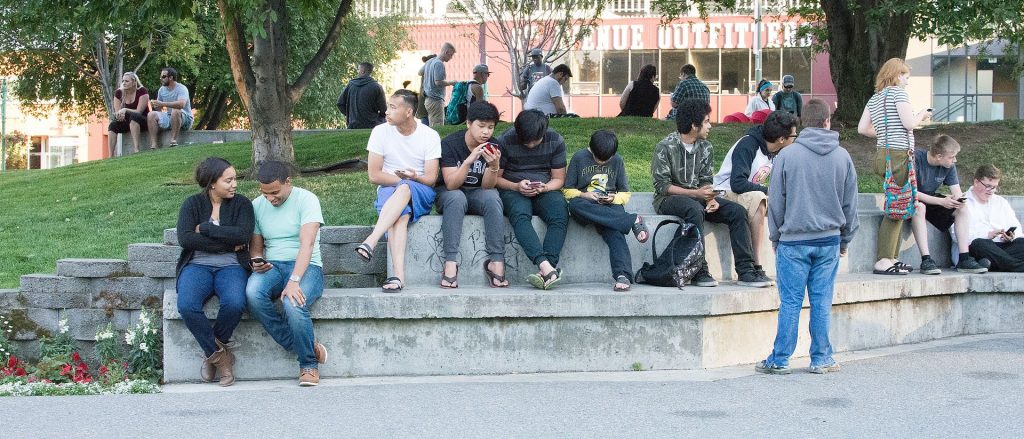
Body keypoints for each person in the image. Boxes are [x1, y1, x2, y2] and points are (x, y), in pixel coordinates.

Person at [755, 98, 860, 375]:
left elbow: (776, 202)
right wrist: (845, 240)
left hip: (793, 241)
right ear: (828, 121)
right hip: (829, 241)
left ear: (802, 122)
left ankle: (780, 359)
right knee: (822, 301)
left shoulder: (787, 156)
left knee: (790, 302)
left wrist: (776, 238)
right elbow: (851, 205)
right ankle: (822, 358)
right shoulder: (843, 156)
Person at [651, 98, 771, 288]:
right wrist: (697, 194)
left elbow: (706, 180)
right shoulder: (665, 147)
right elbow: (662, 186)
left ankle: (746, 271)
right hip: (668, 199)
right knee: (694, 210)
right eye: (706, 121)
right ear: (693, 125)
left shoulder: (706, 147)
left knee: (737, 212)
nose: (710, 126)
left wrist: (711, 198)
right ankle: (700, 269)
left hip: (699, 198)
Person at [246, 160, 328, 387]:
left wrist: (294, 280)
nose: (270, 198)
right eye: (265, 193)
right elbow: (256, 245)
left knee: (293, 302)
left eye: (275, 192)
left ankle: (308, 364)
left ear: (287, 182)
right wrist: (256, 261)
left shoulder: (307, 199)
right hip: (273, 266)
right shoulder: (257, 205)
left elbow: (308, 243)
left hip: (307, 266)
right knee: (253, 293)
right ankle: (304, 344)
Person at [175, 157, 254, 386]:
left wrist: (207, 229)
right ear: (212, 183)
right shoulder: (191, 204)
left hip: (231, 266)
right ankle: (221, 358)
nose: (234, 184)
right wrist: (227, 242)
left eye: (235, 179)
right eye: (228, 180)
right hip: (197, 265)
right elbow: (186, 239)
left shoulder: (242, 204)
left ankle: (211, 354)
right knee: (187, 305)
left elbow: (243, 235)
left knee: (235, 303)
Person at [355, 90, 441, 292]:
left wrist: (412, 178)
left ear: (409, 111)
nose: (387, 112)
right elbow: (374, 175)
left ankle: (371, 241)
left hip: (420, 189)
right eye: (388, 106)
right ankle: (398, 277)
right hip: (388, 187)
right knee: (400, 215)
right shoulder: (380, 132)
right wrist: (401, 180)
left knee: (404, 189)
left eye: (393, 108)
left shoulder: (429, 136)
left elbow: (430, 179)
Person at [857, 57, 933, 275]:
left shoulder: (875, 98)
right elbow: (909, 123)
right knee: (898, 208)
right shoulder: (898, 94)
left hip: (884, 155)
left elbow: (863, 129)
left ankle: (891, 257)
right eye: (905, 77)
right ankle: (883, 259)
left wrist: (884, 133)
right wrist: (922, 114)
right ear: (896, 75)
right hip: (899, 156)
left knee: (898, 203)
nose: (907, 82)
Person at [712, 110, 799, 283]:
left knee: (789, 202)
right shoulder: (748, 144)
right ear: (782, 139)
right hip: (726, 193)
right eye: (794, 135)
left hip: (747, 193)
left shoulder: (777, 152)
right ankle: (756, 267)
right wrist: (769, 191)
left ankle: (794, 264)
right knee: (760, 199)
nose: (796, 138)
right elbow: (737, 183)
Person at [563, 130, 649, 292]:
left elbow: (625, 193)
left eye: (606, 160)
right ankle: (631, 220)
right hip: (586, 205)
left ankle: (622, 275)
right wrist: (585, 195)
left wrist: (613, 198)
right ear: (591, 149)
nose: (602, 163)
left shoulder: (617, 160)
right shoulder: (579, 158)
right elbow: (567, 190)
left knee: (615, 230)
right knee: (575, 205)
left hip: (609, 204)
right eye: (598, 159)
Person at [435, 102, 506, 288]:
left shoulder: (495, 146)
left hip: (477, 192)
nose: (486, 132)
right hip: (449, 194)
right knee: (456, 197)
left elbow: (488, 187)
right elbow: (451, 184)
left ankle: (496, 262)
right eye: (481, 126)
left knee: (492, 198)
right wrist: (468, 162)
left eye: (490, 127)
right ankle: (450, 262)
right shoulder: (450, 144)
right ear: (468, 123)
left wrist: (494, 166)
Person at [496, 109, 568, 289]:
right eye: (525, 141)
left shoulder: (555, 140)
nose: (530, 145)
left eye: (535, 141)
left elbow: (558, 179)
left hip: (544, 188)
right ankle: (545, 266)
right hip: (512, 187)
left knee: (560, 212)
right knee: (520, 215)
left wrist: (546, 187)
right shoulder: (504, 141)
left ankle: (547, 270)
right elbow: (495, 178)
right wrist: (516, 186)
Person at [911, 135, 988, 274]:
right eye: (952, 157)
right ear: (939, 156)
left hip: (931, 199)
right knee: (919, 207)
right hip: (910, 199)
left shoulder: (949, 166)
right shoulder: (916, 158)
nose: (955, 160)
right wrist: (941, 201)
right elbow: (911, 192)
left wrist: (958, 200)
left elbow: (957, 191)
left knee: (961, 209)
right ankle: (926, 260)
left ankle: (964, 258)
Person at [962, 165, 1024, 272]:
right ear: (976, 182)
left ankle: (990, 264)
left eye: (994, 187)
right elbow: (958, 236)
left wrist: (1010, 236)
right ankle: (1015, 265)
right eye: (988, 186)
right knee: (979, 244)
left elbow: (1017, 229)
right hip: (979, 248)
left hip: (1003, 247)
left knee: (1021, 242)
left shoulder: (1001, 202)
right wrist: (988, 235)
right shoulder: (963, 202)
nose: (991, 190)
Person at [147, 67, 193, 149]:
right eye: (161, 77)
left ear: (171, 78)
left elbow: (181, 104)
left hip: (185, 118)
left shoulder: (181, 88)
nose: (161, 79)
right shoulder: (161, 90)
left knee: (175, 111)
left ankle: (173, 141)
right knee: (151, 114)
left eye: (163, 77)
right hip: (169, 117)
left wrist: (163, 103)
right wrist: (156, 105)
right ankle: (154, 144)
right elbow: (159, 109)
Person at [107, 72, 149, 156]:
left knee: (134, 117)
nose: (124, 83)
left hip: (142, 120)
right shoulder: (118, 93)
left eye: (126, 81)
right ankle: (110, 156)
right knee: (112, 125)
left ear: (134, 82)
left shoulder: (142, 91)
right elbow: (117, 112)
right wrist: (119, 115)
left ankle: (136, 149)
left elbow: (139, 111)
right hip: (126, 120)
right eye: (123, 81)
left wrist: (125, 109)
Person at [337, 62, 387, 129]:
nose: (358, 71)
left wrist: (351, 115)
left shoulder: (350, 85)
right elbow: (383, 110)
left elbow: (340, 104)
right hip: (372, 124)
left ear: (363, 71)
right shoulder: (377, 87)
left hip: (353, 124)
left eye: (358, 69)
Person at [422, 42, 457, 126]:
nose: (451, 58)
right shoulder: (439, 63)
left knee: (432, 125)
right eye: (451, 55)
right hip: (435, 100)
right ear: (446, 52)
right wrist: (452, 82)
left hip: (428, 99)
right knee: (438, 127)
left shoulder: (430, 61)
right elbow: (438, 82)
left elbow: (420, 72)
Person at [416, 54, 437, 125]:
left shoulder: (426, 72)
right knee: (426, 122)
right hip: (427, 101)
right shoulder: (429, 73)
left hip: (426, 101)